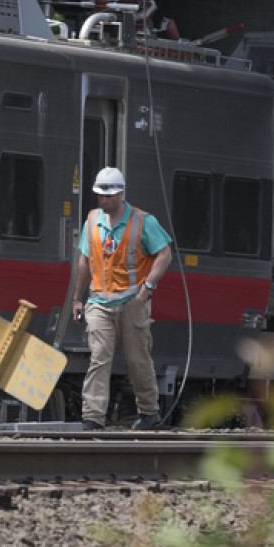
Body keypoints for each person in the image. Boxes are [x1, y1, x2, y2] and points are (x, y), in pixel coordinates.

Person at [68, 167, 174, 430]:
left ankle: (149, 412)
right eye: (100, 196)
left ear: (121, 193)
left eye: (109, 196)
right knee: (99, 358)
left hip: (132, 302)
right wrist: (77, 298)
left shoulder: (142, 221)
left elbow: (164, 254)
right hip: (99, 303)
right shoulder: (92, 220)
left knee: (138, 360)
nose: (103, 200)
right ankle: (92, 417)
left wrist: (147, 287)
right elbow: (84, 260)